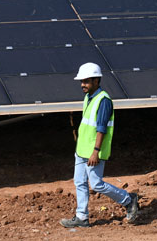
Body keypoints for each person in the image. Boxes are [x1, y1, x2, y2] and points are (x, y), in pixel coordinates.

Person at [60, 62, 139, 228]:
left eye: (86, 81)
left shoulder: (104, 101)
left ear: (96, 81)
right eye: (82, 81)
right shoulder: (89, 97)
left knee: (96, 184)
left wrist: (95, 151)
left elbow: (101, 128)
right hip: (82, 151)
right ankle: (81, 217)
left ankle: (128, 199)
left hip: (92, 152)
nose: (82, 84)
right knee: (79, 182)